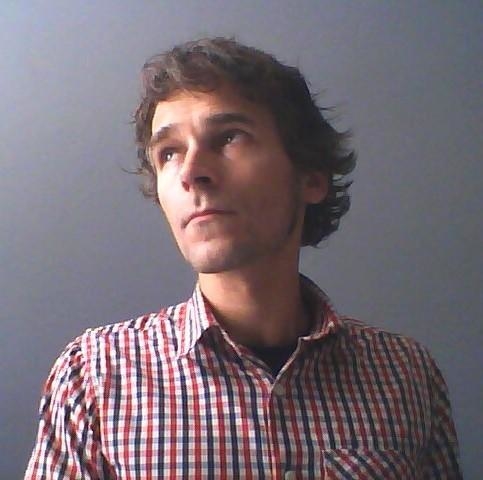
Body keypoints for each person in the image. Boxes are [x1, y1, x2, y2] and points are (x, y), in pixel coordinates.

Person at [26, 37, 461, 479]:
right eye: (169, 152)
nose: (191, 172)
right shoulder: (94, 377)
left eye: (229, 137)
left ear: (311, 178)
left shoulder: (406, 375)